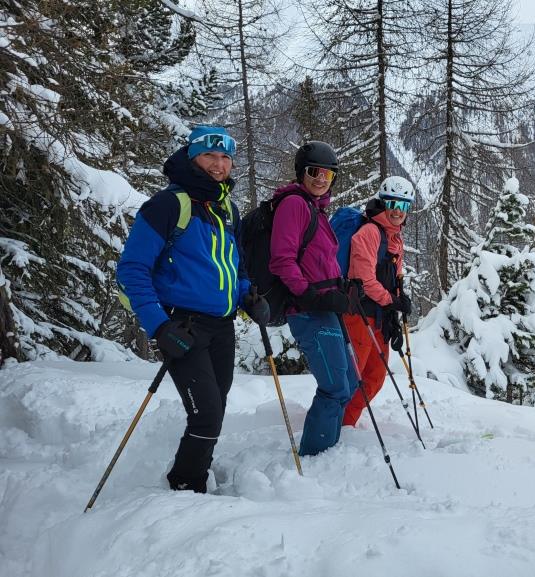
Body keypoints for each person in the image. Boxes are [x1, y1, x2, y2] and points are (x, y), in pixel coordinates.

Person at [117, 125, 269, 493]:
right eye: (209, 155)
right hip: (182, 327)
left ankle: (197, 472)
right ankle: (186, 487)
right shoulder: (168, 205)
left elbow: (236, 266)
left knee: (215, 407)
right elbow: (131, 270)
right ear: (192, 157)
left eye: (225, 157)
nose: (218, 164)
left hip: (222, 327)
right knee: (206, 414)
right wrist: (159, 327)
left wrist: (247, 296)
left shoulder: (228, 209)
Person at [269, 141, 356, 456]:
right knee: (334, 387)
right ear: (301, 172)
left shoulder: (315, 208)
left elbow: (320, 261)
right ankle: (316, 456)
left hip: (325, 308)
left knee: (350, 382)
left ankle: (329, 448)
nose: (321, 179)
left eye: (328, 174)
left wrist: (343, 290)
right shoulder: (294, 204)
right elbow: (282, 260)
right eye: (314, 172)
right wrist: (309, 296)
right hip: (308, 310)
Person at [340, 176, 415, 427]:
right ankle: (337, 426)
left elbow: (395, 277)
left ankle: (347, 424)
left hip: (380, 318)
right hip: (358, 315)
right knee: (353, 377)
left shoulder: (395, 237)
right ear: (383, 203)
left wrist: (397, 306)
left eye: (403, 205)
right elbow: (364, 280)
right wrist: (392, 301)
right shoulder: (369, 233)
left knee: (375, 377)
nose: (397, 211)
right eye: (393, 203)